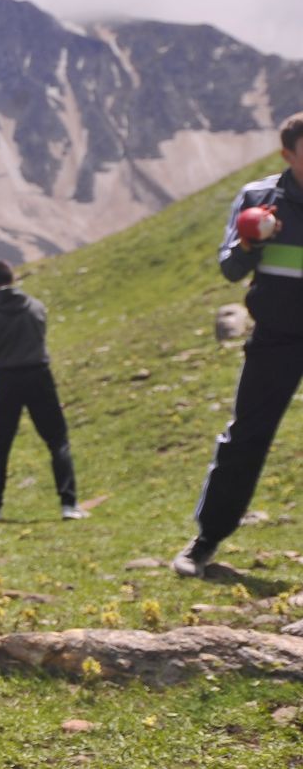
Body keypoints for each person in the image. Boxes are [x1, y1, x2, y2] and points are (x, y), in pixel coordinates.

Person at [173, 112, 303, 577]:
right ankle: (205, 541)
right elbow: (230, 269)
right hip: (277, 338)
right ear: (288, 155)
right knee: (246, 437)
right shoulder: (258, 198)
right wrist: (250, 242)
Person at [0, 260, 85, 521]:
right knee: (57, 439)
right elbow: (40, 334)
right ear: (12, 278)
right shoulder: (35, 306)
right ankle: (69, 504)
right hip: (39, 374)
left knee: (1, 441)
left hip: (6, 379)